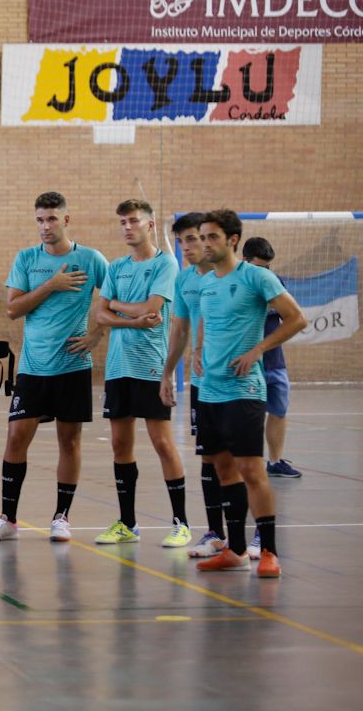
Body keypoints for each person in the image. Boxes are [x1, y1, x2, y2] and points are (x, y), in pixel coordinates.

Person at [162, 210, 306, 579]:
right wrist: (197, 353)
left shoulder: (257, 276)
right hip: (209, 391)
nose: (205, 244)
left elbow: (296, 318)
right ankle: (236, 550)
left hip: (245, 391)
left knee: (252, 471)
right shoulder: (206, 284)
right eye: (202, 237)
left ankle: (269, 551)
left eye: (212, 237)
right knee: (223, 469)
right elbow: (206, 325)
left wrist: (259, 349)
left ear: (232, 240)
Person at [0, 192, 108, 544]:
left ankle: (61, 517)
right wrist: (51, 285)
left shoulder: (91, 259)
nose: (45, 226)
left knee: (69, 441)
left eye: (51, 219)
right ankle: (8, 517)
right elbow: (13, 309)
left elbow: (114, 299)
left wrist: (97, 334)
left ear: (66, 221)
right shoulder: (26, 259)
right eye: (39, 220)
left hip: (73, 365)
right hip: (34, 367)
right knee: (16, 436)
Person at [93, 200, 188, 547]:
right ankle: (127, 523)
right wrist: (128, 316)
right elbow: (100, 315)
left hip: (151, 367)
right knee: (120, 444)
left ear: (150, 225)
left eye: (134, 221)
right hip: (119, 367)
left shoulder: (166, 264)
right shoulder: (116, 267)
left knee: (162, 443)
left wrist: (114, 306)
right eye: (122, 222)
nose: (127, 227)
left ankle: (181, 522)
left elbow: (153, 308)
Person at [163, 213, 226, 558]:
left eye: (193, 239)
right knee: (208, 458)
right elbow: (180, 330)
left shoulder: (233, 276)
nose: (187, 247)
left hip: (235, 383)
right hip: (202, 384)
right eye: (183, 240)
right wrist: (167, 373)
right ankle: (215, 532)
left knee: (241, 461)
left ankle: (256, 536)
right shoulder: (185, 281)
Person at [242, 237, 301, 481]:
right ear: (245, 262)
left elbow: (293, 318)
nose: (264, 273)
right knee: (246, 415)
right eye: (258, 268)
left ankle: (275, 461)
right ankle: (244, 463)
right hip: (245, 363)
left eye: (267, 268)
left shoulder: (275, 284)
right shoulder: (237, 287)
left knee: (279, 410)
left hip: (274, 362)